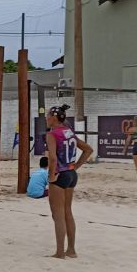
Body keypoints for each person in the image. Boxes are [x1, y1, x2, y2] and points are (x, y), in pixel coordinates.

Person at [46, 104, 93, 259]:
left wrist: (51, 176)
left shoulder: (52, 134)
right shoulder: (69, 132)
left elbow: (53, 158)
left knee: (58, 215)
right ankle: (71, 250)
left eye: (48, 116)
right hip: (71, 174)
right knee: (68, 213)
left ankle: (59, 252)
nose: (46, 118)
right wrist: (76, 167)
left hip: (60, 174)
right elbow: (88, 149)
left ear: (54, 118)